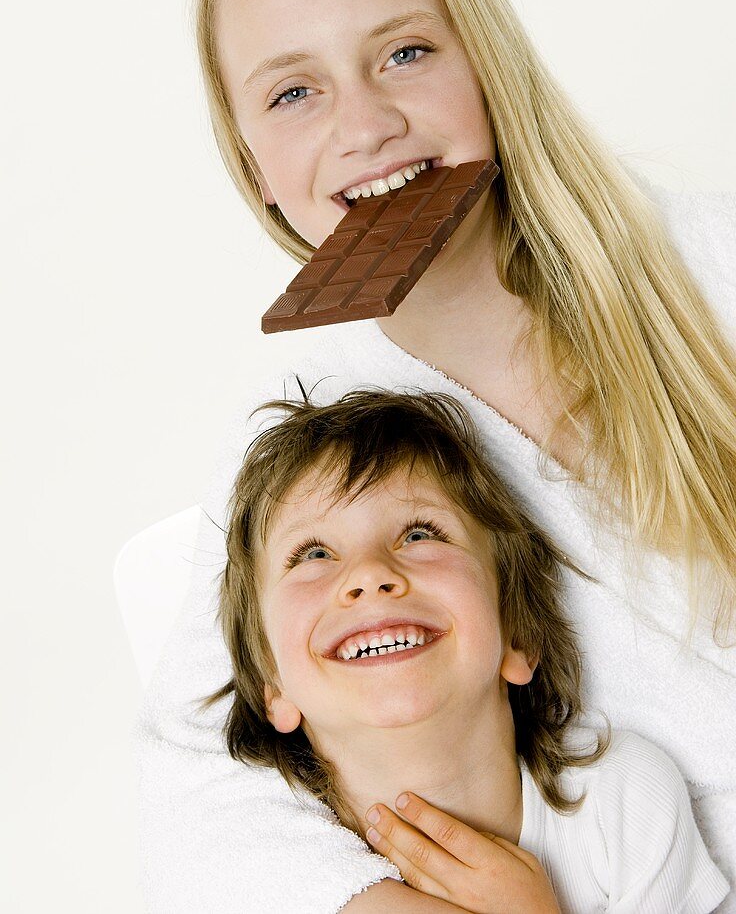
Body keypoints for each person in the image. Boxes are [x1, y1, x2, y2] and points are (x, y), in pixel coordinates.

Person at [136, 0, 736, 913]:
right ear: (250, 156)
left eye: (405, 52)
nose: (362, 126)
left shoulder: (712, 270)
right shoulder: (323, 449)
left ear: (487, 59)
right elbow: (192, 784)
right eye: (293, 91)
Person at [208, 386, 728, 914]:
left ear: (518, 634)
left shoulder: (624, 801)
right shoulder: (266, 865)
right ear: (271, 684)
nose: (368, 574)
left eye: (418, 534)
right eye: (313, 553)